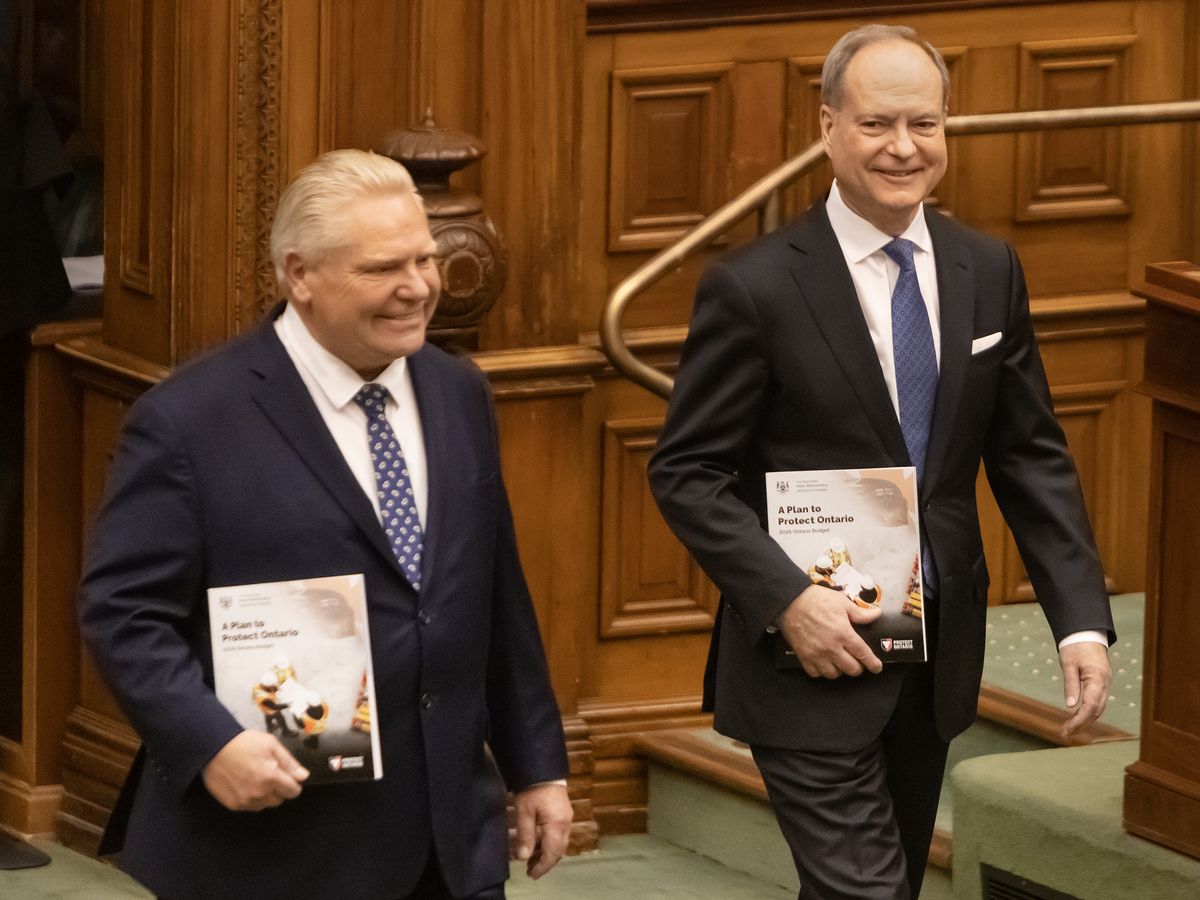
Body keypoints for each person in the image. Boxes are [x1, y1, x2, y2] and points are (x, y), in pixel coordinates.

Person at [648, 24, 1114, 900]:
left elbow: (1029, 454)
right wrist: (788, 600)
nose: (904, 148)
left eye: (924, 125)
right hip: (807, 657)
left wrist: (1079, 619)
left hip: (934, 658)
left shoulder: (987, 267)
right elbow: (686, 472)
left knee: (871, 885)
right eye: (876, 125)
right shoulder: (754, 286)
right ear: (828, 128)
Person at [79, 149, 571, 900]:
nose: (418, 288)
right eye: (382, 270)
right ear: (298, 274)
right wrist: (211, 744)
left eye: (424, 260)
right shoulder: (188, 423)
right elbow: (123, 613)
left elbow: (491, 592)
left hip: (445, 838)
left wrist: (536, 765)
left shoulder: (458, 392)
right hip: (270, 851)